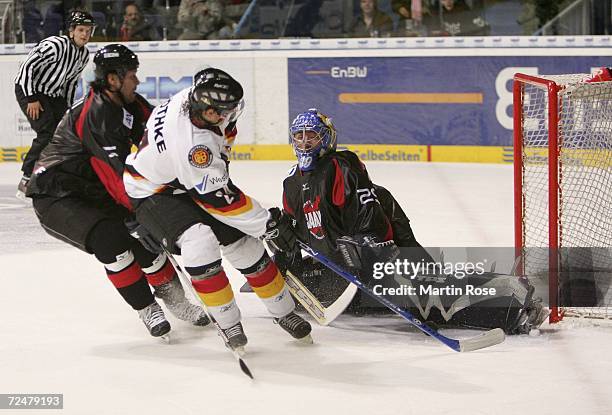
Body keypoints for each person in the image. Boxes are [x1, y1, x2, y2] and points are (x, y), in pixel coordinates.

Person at [265, 108, 549, 335]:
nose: (304, 142)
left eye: (311, 136)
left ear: (325, 138)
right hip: (339, 263)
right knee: (340, 297)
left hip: (375, 249)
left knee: (426, 295)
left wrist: (367, 243)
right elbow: (297, 228)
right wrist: (282, 237)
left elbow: (368, 211)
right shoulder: (291, 182)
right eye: (298, 136)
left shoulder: (341, 165)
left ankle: (513, 304)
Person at [26, 44, 210, 338]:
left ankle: (177, 299)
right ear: (113, 79)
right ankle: (146, 307)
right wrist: (139, 215)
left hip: (95, 189)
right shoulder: (96, 114)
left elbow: (161, 137)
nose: (137, 81)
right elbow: (113, 175)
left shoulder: (131, 104)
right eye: (132, 75)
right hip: (58, 194)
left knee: (148, 243)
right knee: (113, 241)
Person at [123, 68, 312, 350]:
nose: (223, 117)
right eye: (217, 113)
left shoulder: (195, 100)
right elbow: (219, 200)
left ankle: (284, 311)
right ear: (202, 107)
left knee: (243, 243)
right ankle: (228, 323)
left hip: (182, 180)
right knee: (199, 242)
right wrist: (267, 224)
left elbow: (222, 147)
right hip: (152, 191)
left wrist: (256, 224)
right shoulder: (193, 144)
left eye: (226, 111)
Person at [14, 10, 96, 200]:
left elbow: (70, 84)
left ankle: (55, 175)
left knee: (65, 133)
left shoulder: (83, 55)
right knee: (48, 131)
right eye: (81, 30)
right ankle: (27, 177)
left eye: (88, 31)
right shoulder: (55, 45)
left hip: (53, 95)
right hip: (30, 89)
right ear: (72, 31)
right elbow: (27, 68)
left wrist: (68, 112)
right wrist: (32, 98)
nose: (85, 34)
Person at [423, 0, 489, 36]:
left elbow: (485, 27)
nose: (447, 1)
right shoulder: (435, 13)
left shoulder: (464, 11)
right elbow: (431, 33)